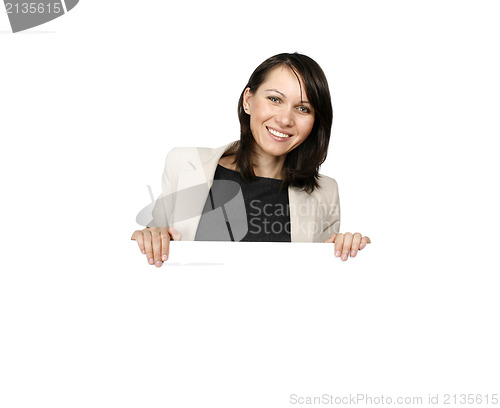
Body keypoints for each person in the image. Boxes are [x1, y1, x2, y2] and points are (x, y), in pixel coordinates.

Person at [131, 52, 371, 267]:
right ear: (248, 101)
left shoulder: (325, 192)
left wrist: (346, 249)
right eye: (275, 99)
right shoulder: (184, 165)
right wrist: (150, 237)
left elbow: (320, 278)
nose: (285, 119)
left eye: (303, 109)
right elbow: (152, 247)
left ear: (315, 122)